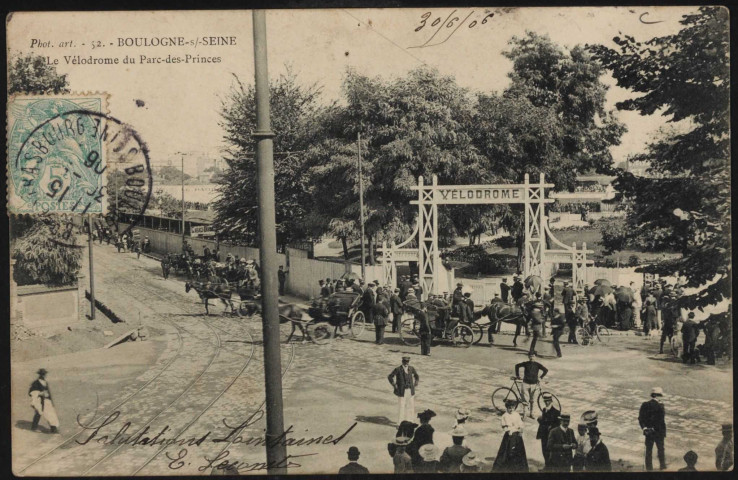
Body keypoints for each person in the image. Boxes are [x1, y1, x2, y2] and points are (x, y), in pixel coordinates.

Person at [493, 399, 528, 472]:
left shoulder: (516, 414)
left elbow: (520, 423)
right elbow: (504, 426)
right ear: (507, 408)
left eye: (512, 407)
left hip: (517, 435)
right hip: (510, 435)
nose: (511, 409)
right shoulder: (505, 416)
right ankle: (507, 466)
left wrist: (521, 429)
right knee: (507, 450)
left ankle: (518, 467)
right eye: (509, 408)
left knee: (518, 451)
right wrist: (508, 430)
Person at [639, 386, 667, 471]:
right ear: (656, 396)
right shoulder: (660, 406)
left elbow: (641, 418)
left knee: (648, 451)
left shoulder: (645, 404)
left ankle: (649, 469)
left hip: (649, 432)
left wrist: (644, 428)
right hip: (659, 432)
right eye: (660, 396)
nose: (661, 398)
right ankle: (662, 467)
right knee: (661, 450)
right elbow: (660, 421)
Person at [515, 353, 549, 418]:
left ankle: (531, 413)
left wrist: (540, 377)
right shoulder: (526, 363)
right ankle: (524, 414)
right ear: (528, 357)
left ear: (535, 357)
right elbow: (517, 366)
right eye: (530, 356)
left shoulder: (537, 365)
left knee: (532, 400)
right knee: (525, 400)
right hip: (525, 383)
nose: (531, 357)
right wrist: (517, 375)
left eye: (533, 356)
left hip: (534, 384)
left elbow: (545, 370)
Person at [388, 356, 419, 425]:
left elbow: (416, 375)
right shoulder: (398, 369)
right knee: (401, 407)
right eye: (405, 362)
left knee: (410, 406)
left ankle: (410, 421)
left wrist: (416, 382)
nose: (406, 363)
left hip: (410, 390)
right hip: (401, 391)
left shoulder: (411, 368)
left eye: (407, 362)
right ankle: (399, 423)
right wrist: (394, 385)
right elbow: (390, 376)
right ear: (402, 362)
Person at [29, 368, 60, 433]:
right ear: (40, 375)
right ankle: (34, 427)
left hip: (46, 400)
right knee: (38, 413)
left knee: (50, 413)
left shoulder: (45, 382)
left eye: (44, 374)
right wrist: (40, 393)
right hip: (39, 401)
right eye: (43, 374)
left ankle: (53, 429)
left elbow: (48, 392)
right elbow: (31, 392)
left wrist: (50, 400)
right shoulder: (36, 382)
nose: (44, 375)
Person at [537, 392, 560, 469]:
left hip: (550, 436)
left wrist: (550, 426)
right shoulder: (544, 410)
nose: (546, 402)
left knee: (550, 451)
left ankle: (549, 467)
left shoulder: (556, 412)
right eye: (545, 401)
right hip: (543, 434)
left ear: (551, 401)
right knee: (544, 450)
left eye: (548, 401)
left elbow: (557, 425)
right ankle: (547, 466)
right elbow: (544, 420)